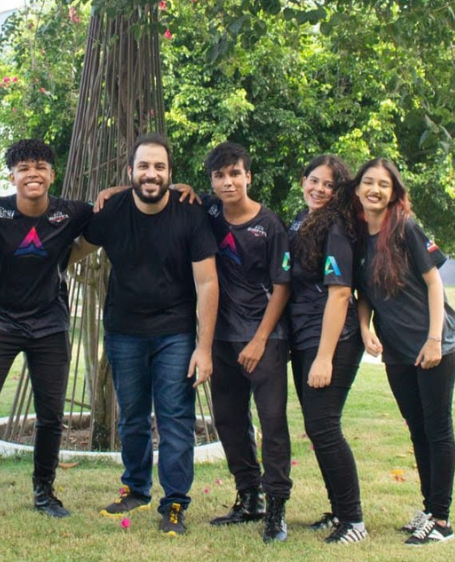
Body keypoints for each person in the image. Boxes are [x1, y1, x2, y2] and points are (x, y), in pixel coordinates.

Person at [75, 133, 219, 536]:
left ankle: (174, 503)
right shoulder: (112, 210)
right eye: (143, 166)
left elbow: (207, 282)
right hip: (124, 331)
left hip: (175, 332)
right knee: (132, 417)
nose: (151, 173)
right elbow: (77, 249)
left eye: (159, 166)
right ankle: (136, 489)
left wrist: (204, 347)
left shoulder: (190, 213)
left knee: (175, 419)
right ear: (130, 172)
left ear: (171, 173)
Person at [0, 139, 93, 532]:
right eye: (24, 167)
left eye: (41, 167)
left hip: (49, 324)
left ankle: (44, 491)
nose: (33, 173)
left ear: (52, 175)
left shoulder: (70, 212)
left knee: (51, 415)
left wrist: (70, 253)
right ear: (11, 176)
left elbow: (106, 219)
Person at [353, 158, 455, 546]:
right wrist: (365, 328)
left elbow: (434, 283)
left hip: (434, 345)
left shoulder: (406, 228)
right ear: (358, 188)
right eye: (368, 182)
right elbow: (364, 294)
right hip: (397, 351)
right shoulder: (357, 236)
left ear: (394, 191)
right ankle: (429, 509)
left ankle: (442, 520)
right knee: (417, 428)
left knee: (437, 428)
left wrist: (434, 339)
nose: (375, 189)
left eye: (384, 184)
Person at [198, 142, 292, 543]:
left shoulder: (269, 225)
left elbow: (282, 286)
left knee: (272, 422)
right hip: (221, 337)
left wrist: (259, 340)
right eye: (219, 175)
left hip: (264, 339)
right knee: (229, 420)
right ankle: (249, 496)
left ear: (248, 176)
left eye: (235, 173)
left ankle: (277, 508)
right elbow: (171, 193)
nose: (228, 182)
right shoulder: (209, 211)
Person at [288, 155, 367, 544]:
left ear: (339, 192)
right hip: (304, 336)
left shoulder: (335, 227)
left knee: (324, 425)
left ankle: (353, 520)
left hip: (334, 340)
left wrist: (323, 357)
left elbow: (339, 295)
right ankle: (338, 510)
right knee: (316, 426)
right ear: (303, 180)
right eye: (314, 180)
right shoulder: (302, 220)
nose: (319, 189)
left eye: (329, 185)